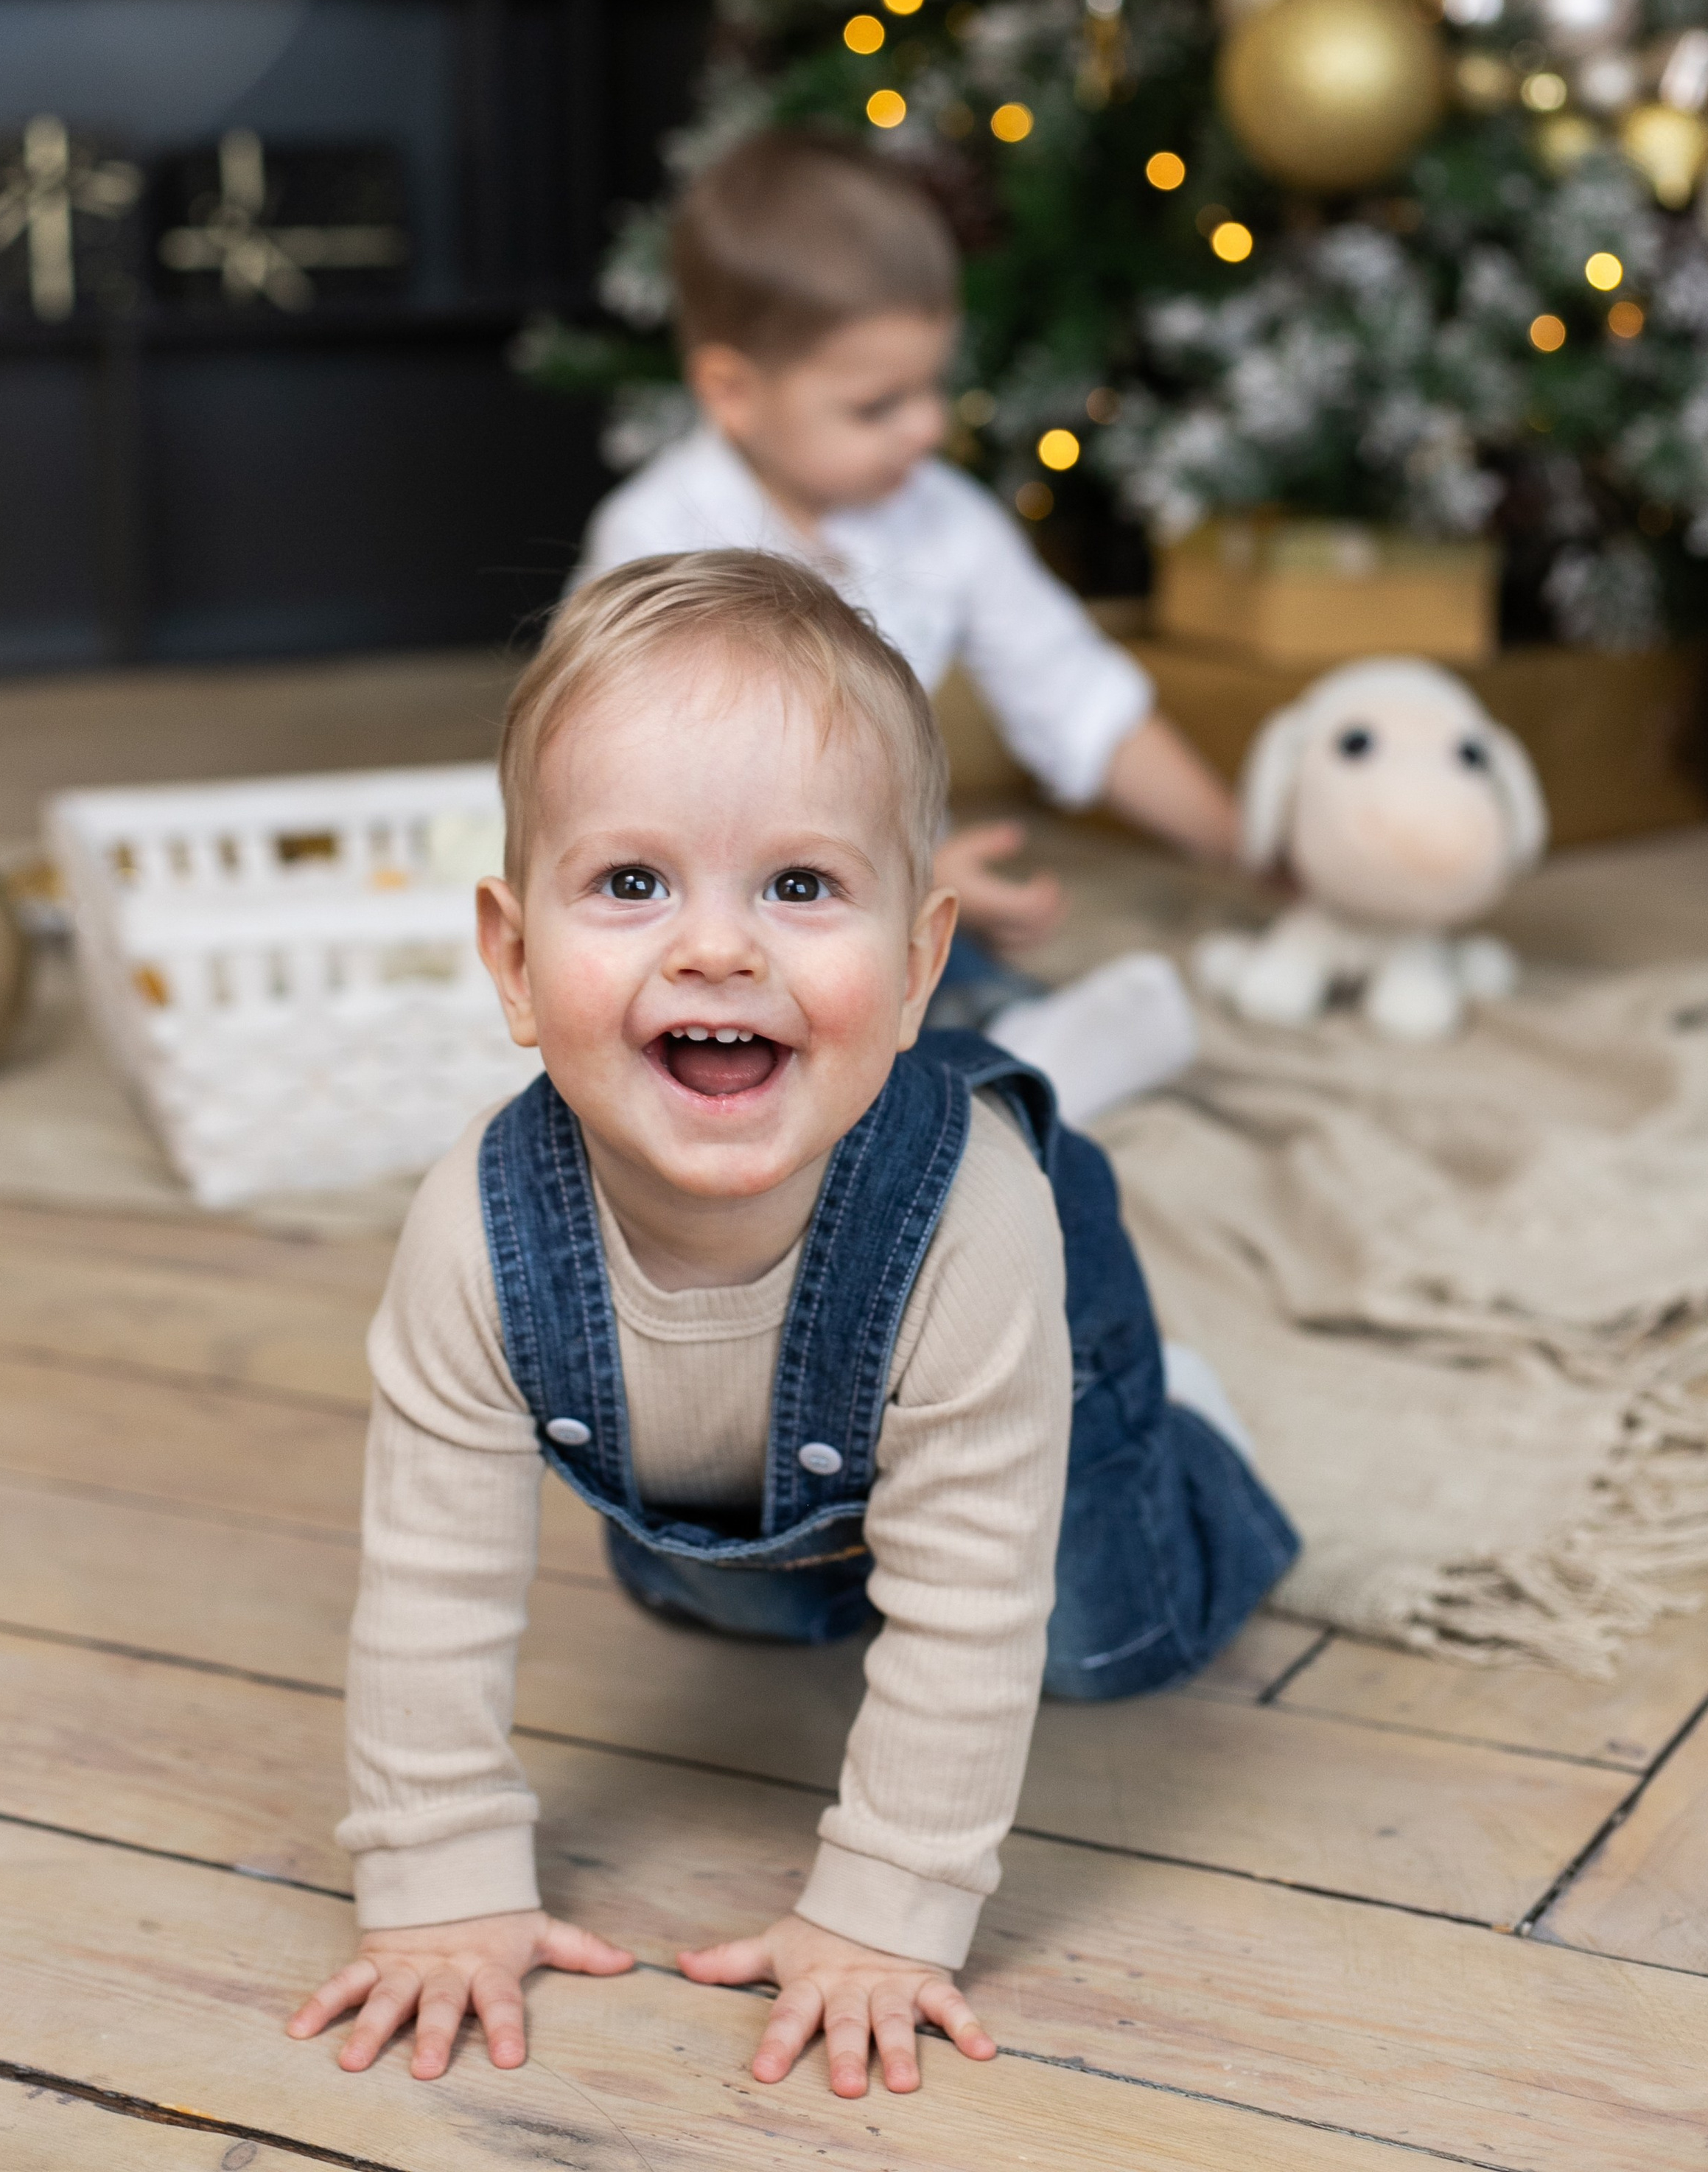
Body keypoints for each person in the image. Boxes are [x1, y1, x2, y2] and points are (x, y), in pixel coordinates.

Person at [288, 552, 1297, 2099]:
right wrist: (439, 1887)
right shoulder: (476, 1233)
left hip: (1029, 1348)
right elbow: (429, 1586)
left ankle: (1181, 1426)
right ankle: (1054, 1043)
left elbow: (963, 1614)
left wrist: (887, 1917)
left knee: (1095, 1646)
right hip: (763, 1462)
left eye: (799, 886)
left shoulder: (967, 1222)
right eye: (631, 884)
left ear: (908, 969)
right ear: (509, 959)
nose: (715, 949)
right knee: (728, 1606)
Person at [572, 126, 1238, 1119]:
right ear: (732, 394)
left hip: (888, 911)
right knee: (746, 1030)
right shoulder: (655, 537)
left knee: (945, 975)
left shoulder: (942, 520)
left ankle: (1005, 1052)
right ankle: (969, 1077)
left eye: (932, 387)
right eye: (877, 404)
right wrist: (892, 883)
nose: (926, 428)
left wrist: (1234, 838)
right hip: (704, 918)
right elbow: (618, 790)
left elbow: (1076, 694)